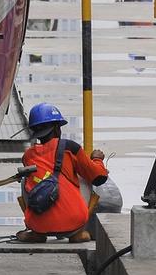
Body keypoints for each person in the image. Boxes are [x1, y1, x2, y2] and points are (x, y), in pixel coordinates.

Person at [14, 102, 108, 243]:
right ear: (57, 129)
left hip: (38, 225)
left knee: (26, 180)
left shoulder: (28, 156)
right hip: (73, 223)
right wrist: (97, 159)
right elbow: (99, 177)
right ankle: (77, 233)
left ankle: (36, 232)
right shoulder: (70, 148)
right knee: (83, 177)